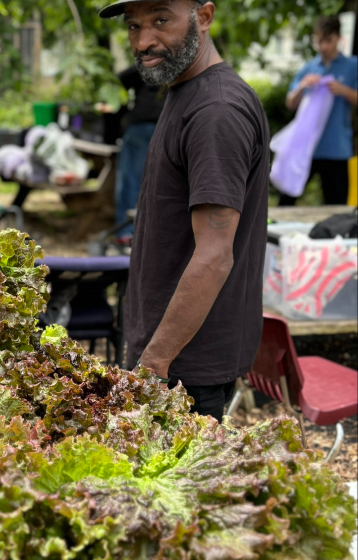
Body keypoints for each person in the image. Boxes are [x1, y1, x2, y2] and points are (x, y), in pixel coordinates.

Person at [99, 0, 270, 422]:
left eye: (161, 20)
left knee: (183, 487)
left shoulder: (216, 111)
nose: (144, 40)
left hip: (183, 368)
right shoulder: (186, 91)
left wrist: (154, 363)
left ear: (204, 17)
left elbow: (214, 255)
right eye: (134, 26)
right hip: (173, 359)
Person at [280, 16, 358, 206]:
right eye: (319, 40)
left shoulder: (352, 66)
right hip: (306, 149)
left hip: (336, 150)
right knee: (285, 200)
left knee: (336, 206)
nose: (323, 46)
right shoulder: (309, 67)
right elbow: (290, 102)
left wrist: (343, 90)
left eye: (328, 40)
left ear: (339, 38)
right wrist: (302, 87)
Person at [114, 66, 166, 240]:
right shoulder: (184, 58)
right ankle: (155, 235)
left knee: (130, 180)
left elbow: (117, 81)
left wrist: (121, 112)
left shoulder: (148, 59)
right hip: (170, 125)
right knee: (165, 182)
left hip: (142, 125)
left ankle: (126, 234)